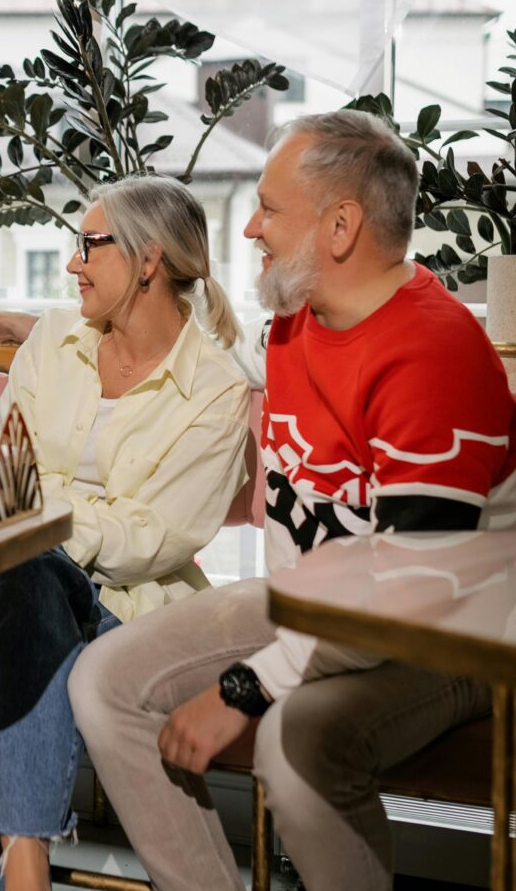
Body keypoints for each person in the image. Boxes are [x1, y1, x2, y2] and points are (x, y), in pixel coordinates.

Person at [69, 110, 516, 891]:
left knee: (294, 743)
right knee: (105, 682)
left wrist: (246, 687)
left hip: (451, 630)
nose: (249, 228)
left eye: (270, 208)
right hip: (321, 608)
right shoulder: (294, 322)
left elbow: (410, 594)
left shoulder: (433, 355)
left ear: (341, 226)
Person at [0, 173, 252, 890]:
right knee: (26, 578)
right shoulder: (57, 341)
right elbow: (9, 478)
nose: (73, 262)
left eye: (89, 245)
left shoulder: (219, 388)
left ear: (148, 261)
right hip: (15, 577)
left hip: (125, 609)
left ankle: (19, 857)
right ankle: (27, 859)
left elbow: (158, 538)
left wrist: (44, 517)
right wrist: (49, 516)